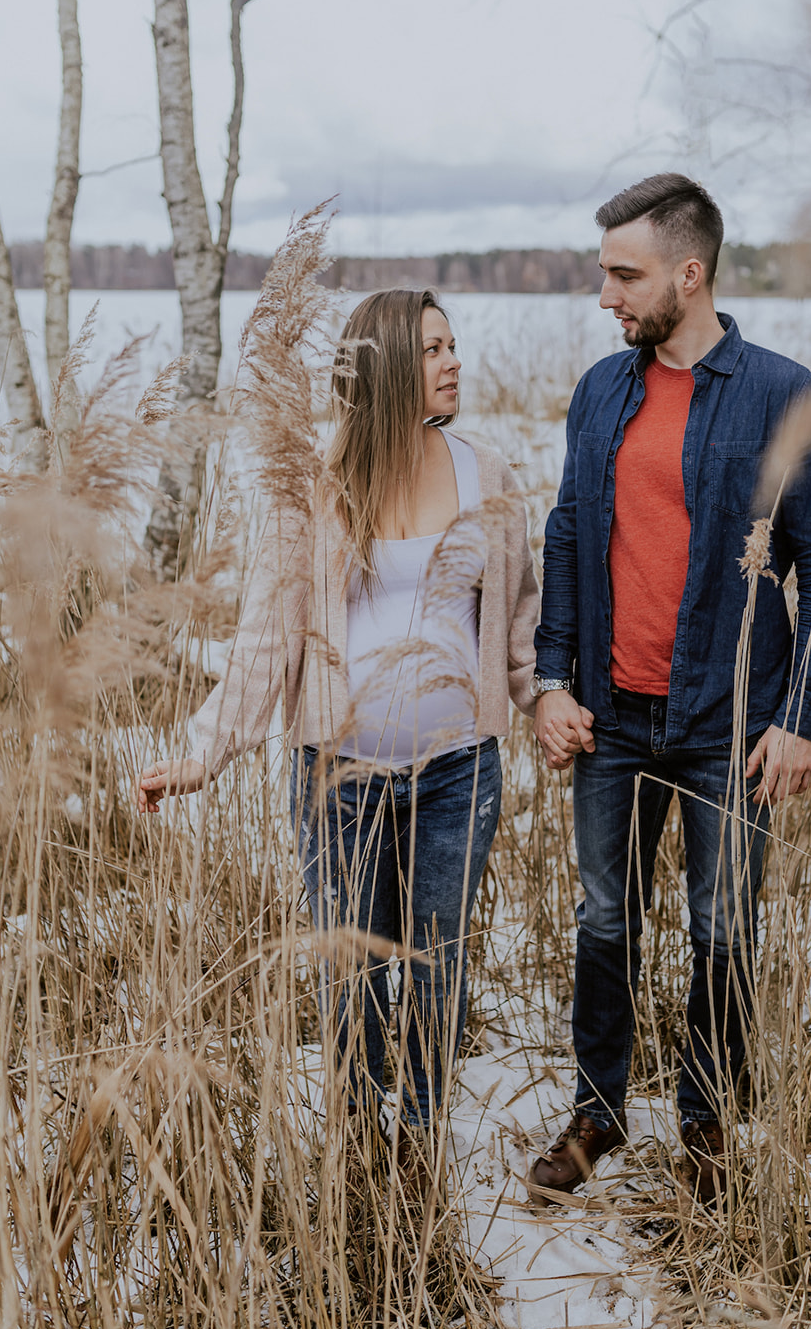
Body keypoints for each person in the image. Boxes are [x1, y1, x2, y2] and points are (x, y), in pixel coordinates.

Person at [138, 288, 539, 1156]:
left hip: (458, 770)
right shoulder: (312, 489)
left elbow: (517, 619)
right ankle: (356, 1139)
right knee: (349, 966)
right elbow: (265, 637)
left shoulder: (487, 472)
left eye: (453, 344)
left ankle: (420, 1135)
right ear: (388, 367)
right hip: (337, 776)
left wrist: (543, 697)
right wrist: (205, 752)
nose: (454, 362)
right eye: (433, 349)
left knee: (436, 964)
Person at [527, 174, 811, 1203]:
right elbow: (568, 535)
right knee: (604, 921)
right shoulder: (601, 391)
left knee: (722, 930)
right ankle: (598, 1112)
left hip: (731, 725)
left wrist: (800, 719)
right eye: (603, 274)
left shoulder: (786, 397)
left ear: (690, 272)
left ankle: (708, 1123)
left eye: (624, 276)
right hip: (611, 718)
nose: (606, 296)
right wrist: (549, 680)